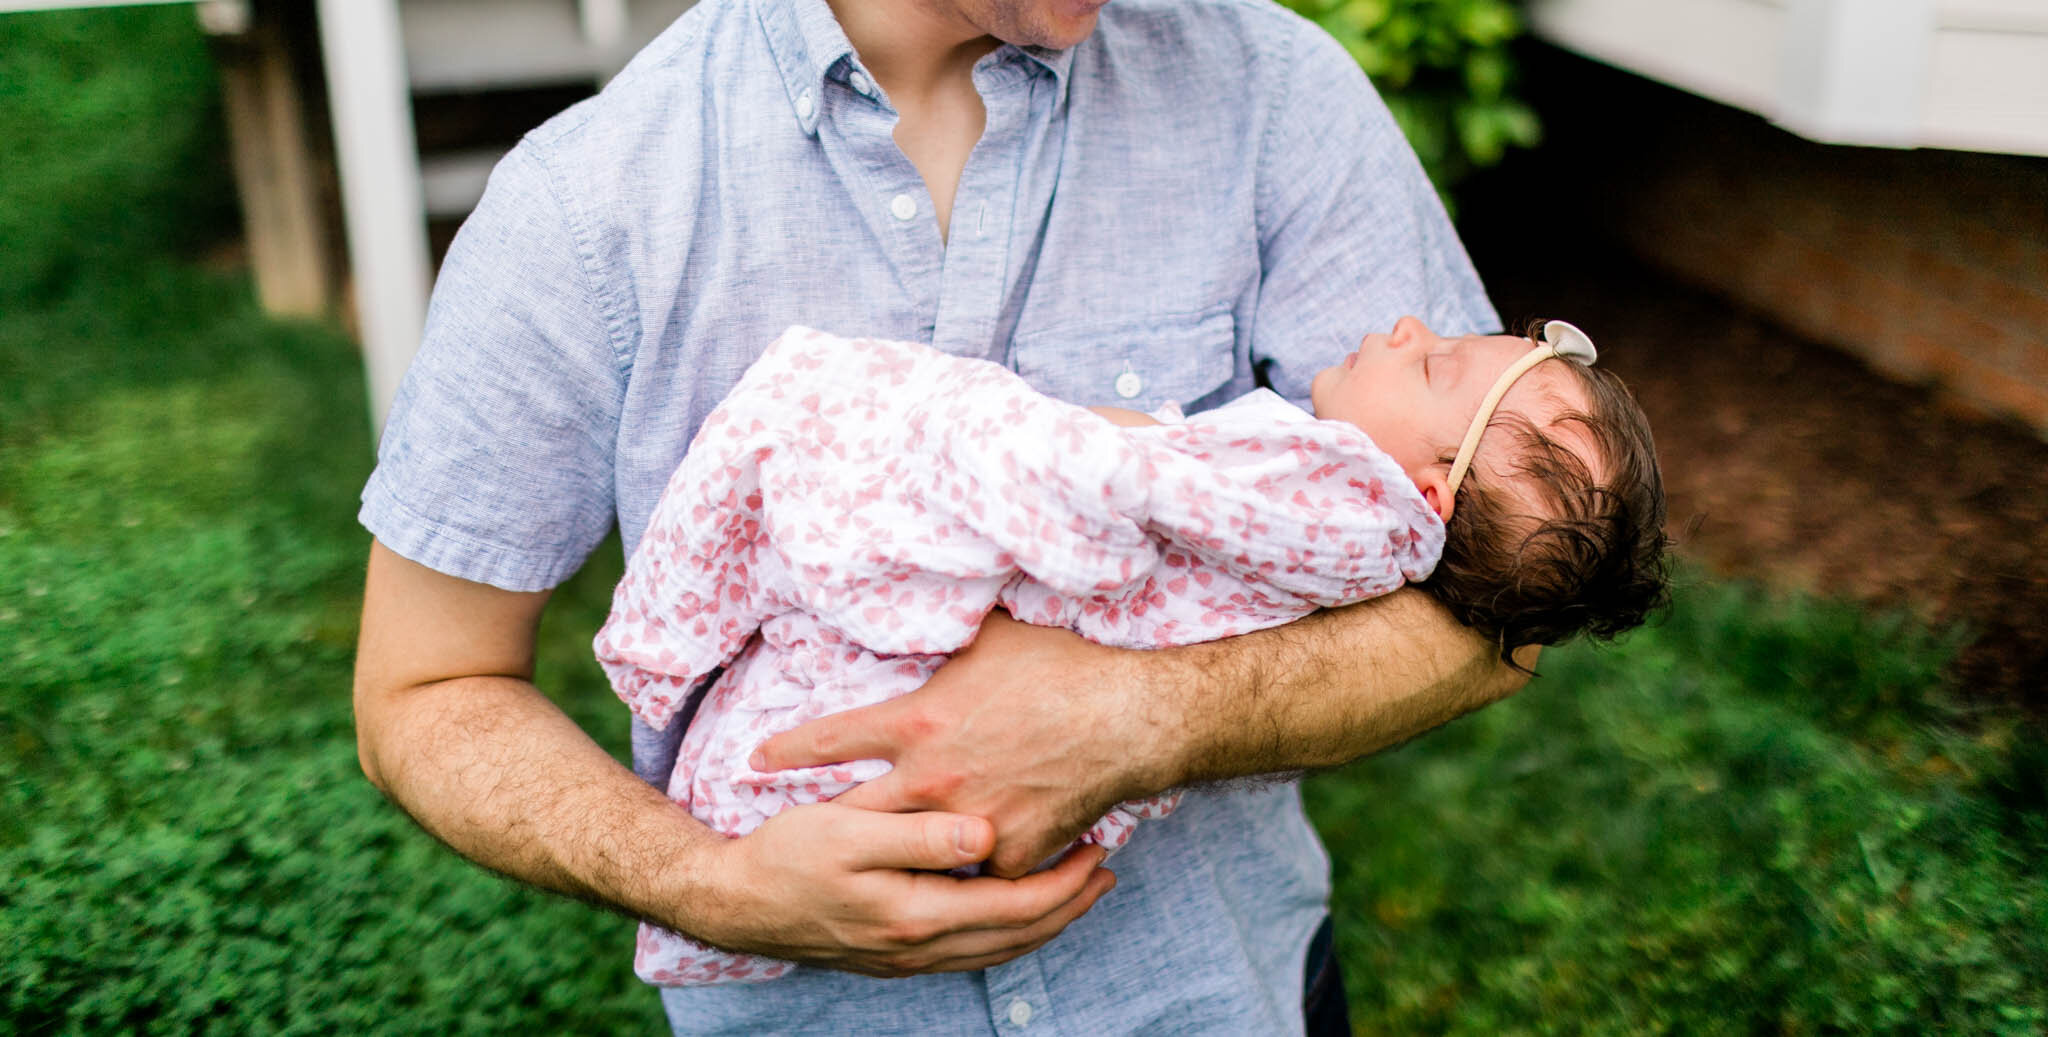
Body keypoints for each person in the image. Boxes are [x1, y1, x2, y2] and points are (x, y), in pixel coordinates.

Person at [351, 0, 1540, 1032]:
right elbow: (425, 686)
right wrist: (708, 884)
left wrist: (1143, 719)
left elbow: (1501, 601)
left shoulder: (1274, 103)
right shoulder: (593, 206)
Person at [596, 318, 1671, 986]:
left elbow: (1131, 487)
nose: (1400, 325)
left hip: (979, 737)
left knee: (845, 451)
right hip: (976, 806)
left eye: (1434, 360)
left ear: (1426, 496)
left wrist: (1075, 442)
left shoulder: (1342, 502)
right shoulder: (1363, 534)